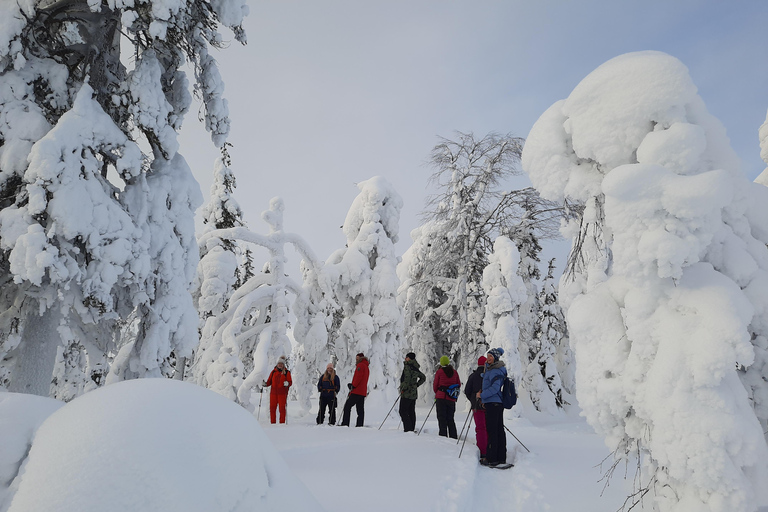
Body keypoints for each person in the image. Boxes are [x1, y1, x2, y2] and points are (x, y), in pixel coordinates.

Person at [479, 348, 507, 466]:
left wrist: (482, 395)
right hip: (495, 403)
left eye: (491, 356)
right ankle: (500, 457)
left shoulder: (497, 370)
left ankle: (492, 458)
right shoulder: (491, 369)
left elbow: (495, 388)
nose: (488, 358)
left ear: (495, 357)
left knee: (493, 431)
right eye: (488, 356)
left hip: (493, 404)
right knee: (498, 430)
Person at [464, 356, 487, 461]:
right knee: (488, 428)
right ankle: (489, 449)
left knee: (480, 428)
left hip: (477, 407)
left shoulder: (473, 376)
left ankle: (482, 451)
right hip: (488, 406)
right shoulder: (488, 375)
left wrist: (473, 400)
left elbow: (467, 391)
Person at [433, 355, 461, 438]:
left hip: (441, 398)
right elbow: (458, 384)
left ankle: (443, 436)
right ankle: (453, 436)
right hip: (451, 398)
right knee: (450, 418)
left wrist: (437, 393)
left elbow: (435, 385)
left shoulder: (439, 372)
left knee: (441, 418)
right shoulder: (454, 372)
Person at [398, 352, 426, 432]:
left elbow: (406, 379)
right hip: (413, 393)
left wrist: (403, 388)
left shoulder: (407, 366)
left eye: (406, 357)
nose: (405, 358)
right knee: (411, 411)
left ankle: (408, 428)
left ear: (409, 358)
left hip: (407, 393)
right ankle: (411, 428)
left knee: (402, 411)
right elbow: (423, 377)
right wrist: (416, 385)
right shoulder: (415, 367)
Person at [340, 353, 369, 427]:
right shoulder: (366, 366)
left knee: (347, 406)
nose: (356, 360)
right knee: (360, 409)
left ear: (361, 358)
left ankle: (345, 423)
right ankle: (359, 424)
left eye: (357, 358)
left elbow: (358, 377)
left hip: (357, 391)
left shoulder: (360, 365)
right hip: (362, 392)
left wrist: (353, 385)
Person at [263, 355, 292, 424]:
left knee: (282, 409)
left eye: (281, 364)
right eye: (279, 364)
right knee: (272, 409)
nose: (280, 365)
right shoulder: (273, 372)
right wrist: (265, 384)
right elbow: (269, 382)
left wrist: (287, 383)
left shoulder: (287, 372)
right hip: (273, 394)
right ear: (277, 364)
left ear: (283, 365)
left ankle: (282, 423)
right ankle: (273, 423)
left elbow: (290, 382)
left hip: (282, 394)